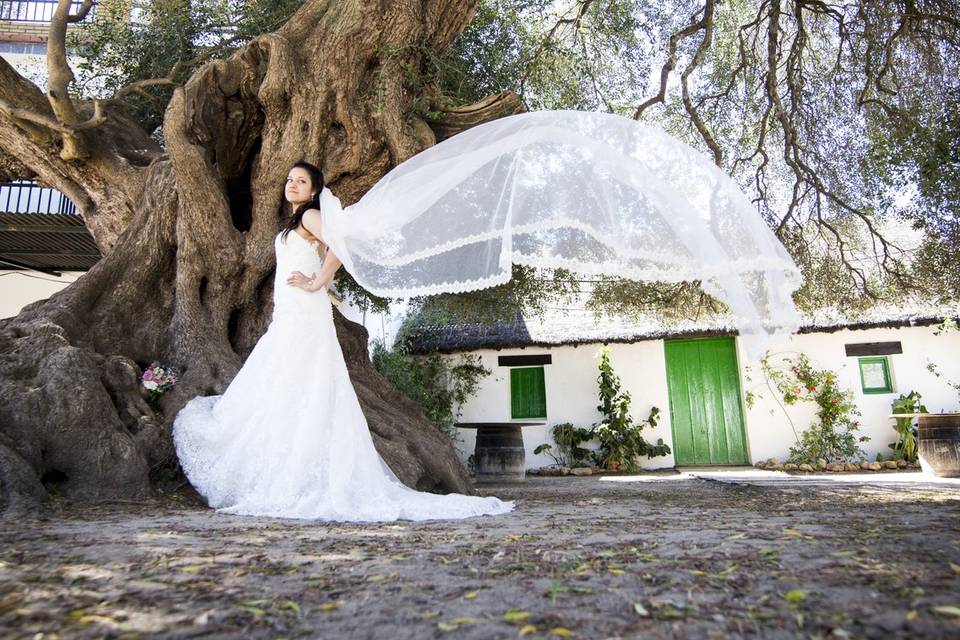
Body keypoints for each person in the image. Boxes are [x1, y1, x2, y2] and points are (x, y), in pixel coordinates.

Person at [173, 161, 515, 522]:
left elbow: (339, 243)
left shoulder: (310, 217)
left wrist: (318, 281)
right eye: (290, 179)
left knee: (302, 378)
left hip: (305, 312)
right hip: (292, 312)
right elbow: (321, 249)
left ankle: (298, 474)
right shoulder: (297, 221)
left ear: (314, 190)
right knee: (288, 381)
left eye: (301, 181)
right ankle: (287, 462)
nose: (292, 184)